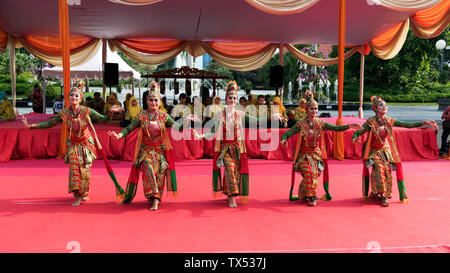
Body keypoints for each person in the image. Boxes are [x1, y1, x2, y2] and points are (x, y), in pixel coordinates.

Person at [108, 81, 198, 211]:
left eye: (156, 100)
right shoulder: (142, 116)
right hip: (146, 152)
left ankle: (155, 197)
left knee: (160, 176)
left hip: (161, 153)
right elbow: (130, 127)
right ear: (147, 101)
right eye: (151, 100)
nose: (153, 103)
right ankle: (155, 198)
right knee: (148, 169)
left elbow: (177, 128)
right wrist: (119, 135)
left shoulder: (164, 116)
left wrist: (186, 120)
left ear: (160, 101)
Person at [22, 79, 113, 207]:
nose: (73, 97)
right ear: (68, 97)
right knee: (75, 168)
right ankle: (78, 195)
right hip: (74, 145)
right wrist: (32, 126)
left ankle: (84, 192)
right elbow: (49, 123)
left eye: (76, 95)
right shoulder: (64, 113)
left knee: (85, 171)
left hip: (86, 144)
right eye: (71, 95)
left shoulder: (87, 111)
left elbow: (104, 119)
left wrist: (111, 112)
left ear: (80, 98)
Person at [200, 81, 286, 208]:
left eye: (235, 98)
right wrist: (201, 136)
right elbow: (212, 131)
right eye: (230, 98)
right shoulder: (220, 115)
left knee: (234, 171)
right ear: (226, 99)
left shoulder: (240, 114)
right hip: (224, 148)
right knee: (229, 168)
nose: (232, 100)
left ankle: (228, 192)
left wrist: (272, 116)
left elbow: (257, 121)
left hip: (237, 148)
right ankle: (231, 197)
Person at [352, 96, 438, 207]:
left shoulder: (389, 120)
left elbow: (407, 125)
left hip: (385, 149)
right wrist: (355, 138)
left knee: (387, 171)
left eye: (386, 105)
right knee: (379, 169)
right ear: (375, 108)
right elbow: (358, 132)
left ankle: (375, 192)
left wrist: (425, 122)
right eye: (381, 105)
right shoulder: (370, 122)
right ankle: (383, 196)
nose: (384, 107)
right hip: (374, 151)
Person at [281, 90, 360, 207]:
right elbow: (288, 133)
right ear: (307, 110)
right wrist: (283, 139)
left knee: (315, 174)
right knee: (308, 173)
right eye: (312, 109)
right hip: (303, 155)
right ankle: (311, 196)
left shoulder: (321, 123)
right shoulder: (300, 124)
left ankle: (304, 192)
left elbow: (335, 128)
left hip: (316, 155)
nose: (314, 111)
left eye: (316, 109)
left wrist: (348, 126)